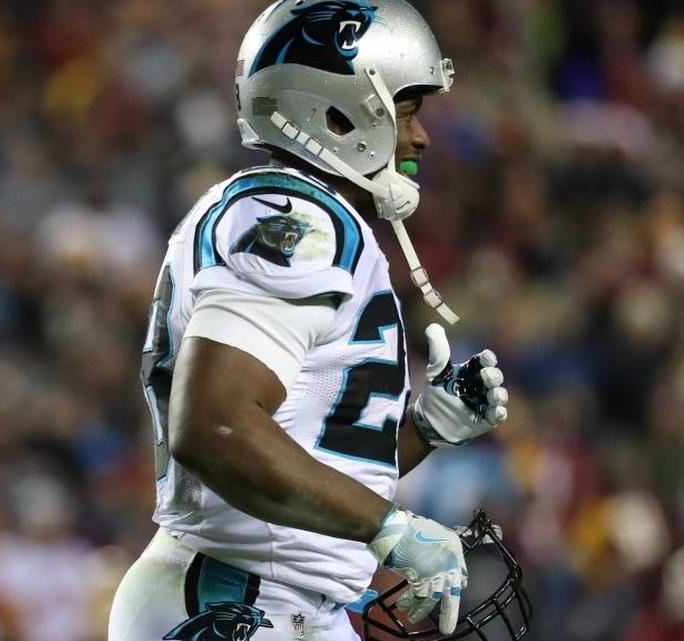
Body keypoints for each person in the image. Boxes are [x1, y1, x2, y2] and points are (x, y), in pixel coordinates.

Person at [108, 2, 511, 640]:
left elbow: (301, 455)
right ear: (335, 111)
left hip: (277, 598)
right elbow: (215, 425)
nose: (420, 137)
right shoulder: (294, 219)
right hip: (235, 599)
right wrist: (390, 527)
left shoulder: (313, 219)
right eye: (406, 112)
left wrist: (424, 429)